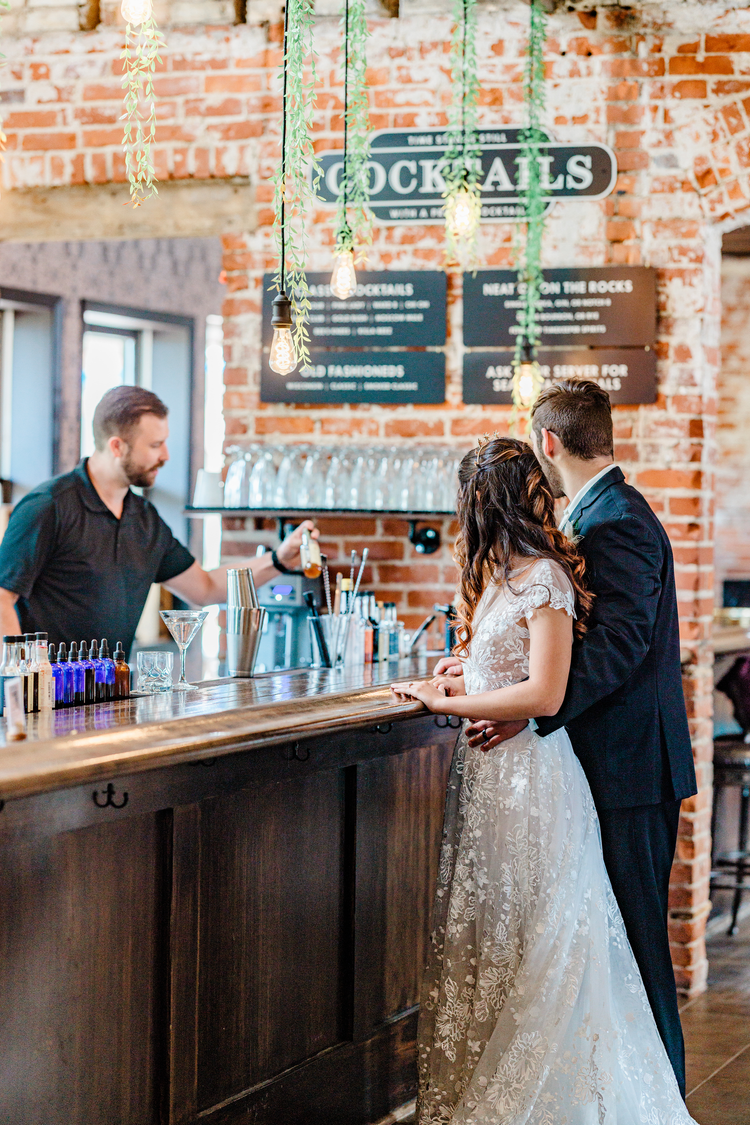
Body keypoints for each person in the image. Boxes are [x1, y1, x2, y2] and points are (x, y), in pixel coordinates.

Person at [391, 436, 696, 1124]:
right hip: (512, 780)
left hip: (592, 771)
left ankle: (644, 1096)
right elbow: (523, 657)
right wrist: (471, 676)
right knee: (519, 938)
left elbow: (592, 661)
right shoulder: (524, 564)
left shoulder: (611, 526)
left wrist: (492, 708)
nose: (549, 490)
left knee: (607, 948)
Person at [0, 385, 317, 655]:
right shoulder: (48, 506)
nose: (165, 455)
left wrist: (278, 560)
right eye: (154, 445)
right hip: (44, 700)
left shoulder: (144, 518)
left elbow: (205, 589)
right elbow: (2, 598)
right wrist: (25, 679)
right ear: (116, 446)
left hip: (110, 697)